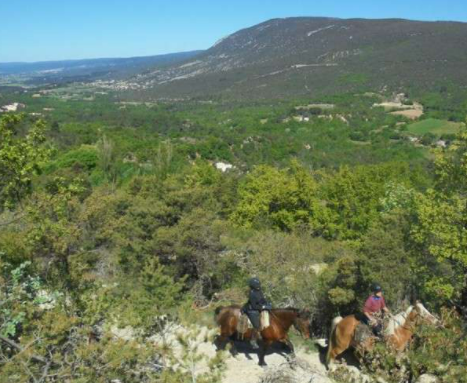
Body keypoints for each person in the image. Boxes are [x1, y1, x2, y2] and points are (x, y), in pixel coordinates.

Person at [242, 277, 271, 349]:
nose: (258, 286)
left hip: (258, 308)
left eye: (258, 284)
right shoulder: (251, 294)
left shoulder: (259, 291)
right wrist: (263, 307)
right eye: (257, 285)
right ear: (253, 286)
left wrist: (266, 303)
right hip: (252, 310)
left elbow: (262, 299)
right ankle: (253, 340)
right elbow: (254, 306)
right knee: (257, 326)